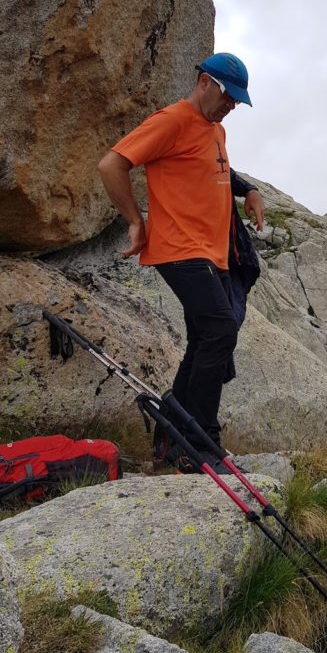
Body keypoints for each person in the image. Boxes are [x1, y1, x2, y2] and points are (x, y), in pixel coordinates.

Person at [97, 52, 264, 473]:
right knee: (221, 329)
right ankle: (202, 443)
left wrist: (249, 191)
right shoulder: (172, 120)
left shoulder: (216, 131)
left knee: (202, 342)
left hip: (211, 253)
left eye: (237, 102)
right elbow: (112, 163)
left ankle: (171, 442)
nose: (231, 106)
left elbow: (215, 169)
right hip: (179, 250)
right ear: (205, 82)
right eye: (228, 96)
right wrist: (135, 221)